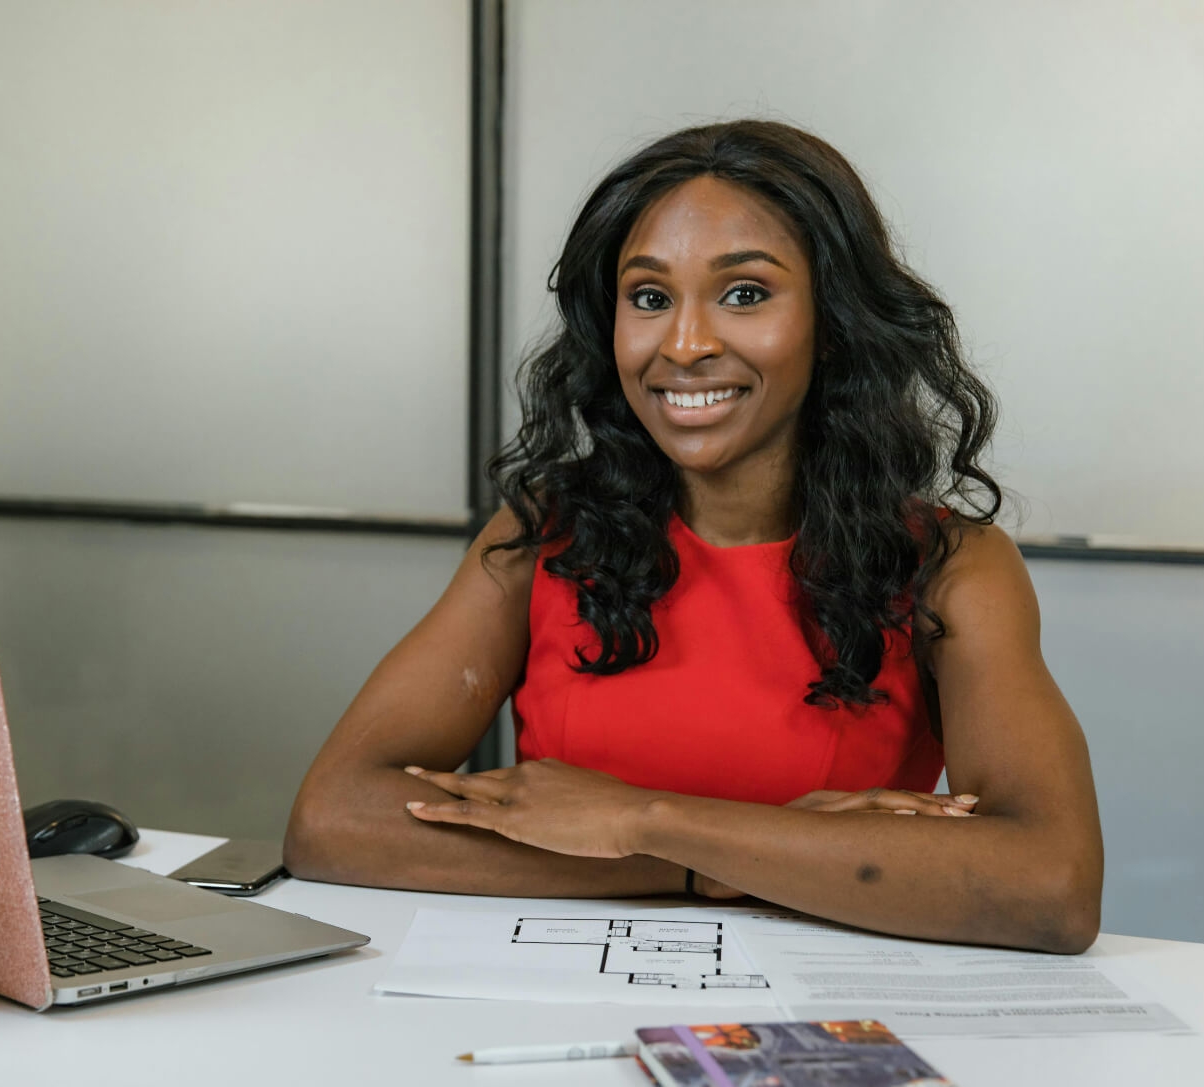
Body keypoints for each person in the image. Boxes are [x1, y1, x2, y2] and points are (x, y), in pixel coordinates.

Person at [283, 120, 1102, 954]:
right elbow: (333, 818)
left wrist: (643, 819)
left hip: (816, 1008)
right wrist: (714, 863)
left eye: (744, 294)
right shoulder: (543, 536)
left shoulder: (953, 569)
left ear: (834, 320)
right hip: (553, 989)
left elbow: (1051, 885)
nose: (684, 345)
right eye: (649, 297)